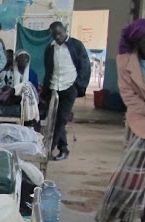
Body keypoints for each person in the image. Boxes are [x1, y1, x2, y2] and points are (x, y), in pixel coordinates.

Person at [96, 19, 145, 222]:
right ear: (137, 43)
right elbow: (129, 97)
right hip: (141, 119)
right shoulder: (125, 62)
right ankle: (123, 218)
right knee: (131, 170)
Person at [41, 21, 91, 161]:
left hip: (70, 87)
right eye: (54, 35)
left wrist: (78, 85)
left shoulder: (76, 45)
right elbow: (49, 70)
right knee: (54, 119)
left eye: (60, 34)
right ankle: (64, 149)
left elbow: (85, 67)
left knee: (62, 119)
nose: (58, 37)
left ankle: (48, 150)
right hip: (54, 87)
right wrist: (45, 89)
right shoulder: (49, 49)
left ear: (65, 30)